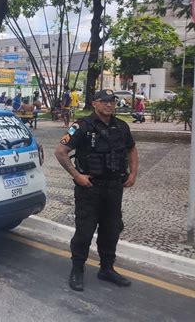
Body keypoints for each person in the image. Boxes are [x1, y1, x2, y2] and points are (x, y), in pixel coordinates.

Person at [54, 89, 138, 292]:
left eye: (112, 101)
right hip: (89, 189)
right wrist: (77, 175)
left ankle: (107, 268)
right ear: (95, 104)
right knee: (84, 232)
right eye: (105, 101)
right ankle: (77, 270)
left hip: (114, 188)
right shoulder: (81, 126)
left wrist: (133, 174)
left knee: (112, 229)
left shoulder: (121, 126)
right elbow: (60, 152)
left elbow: (131, 149)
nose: (109, 105)